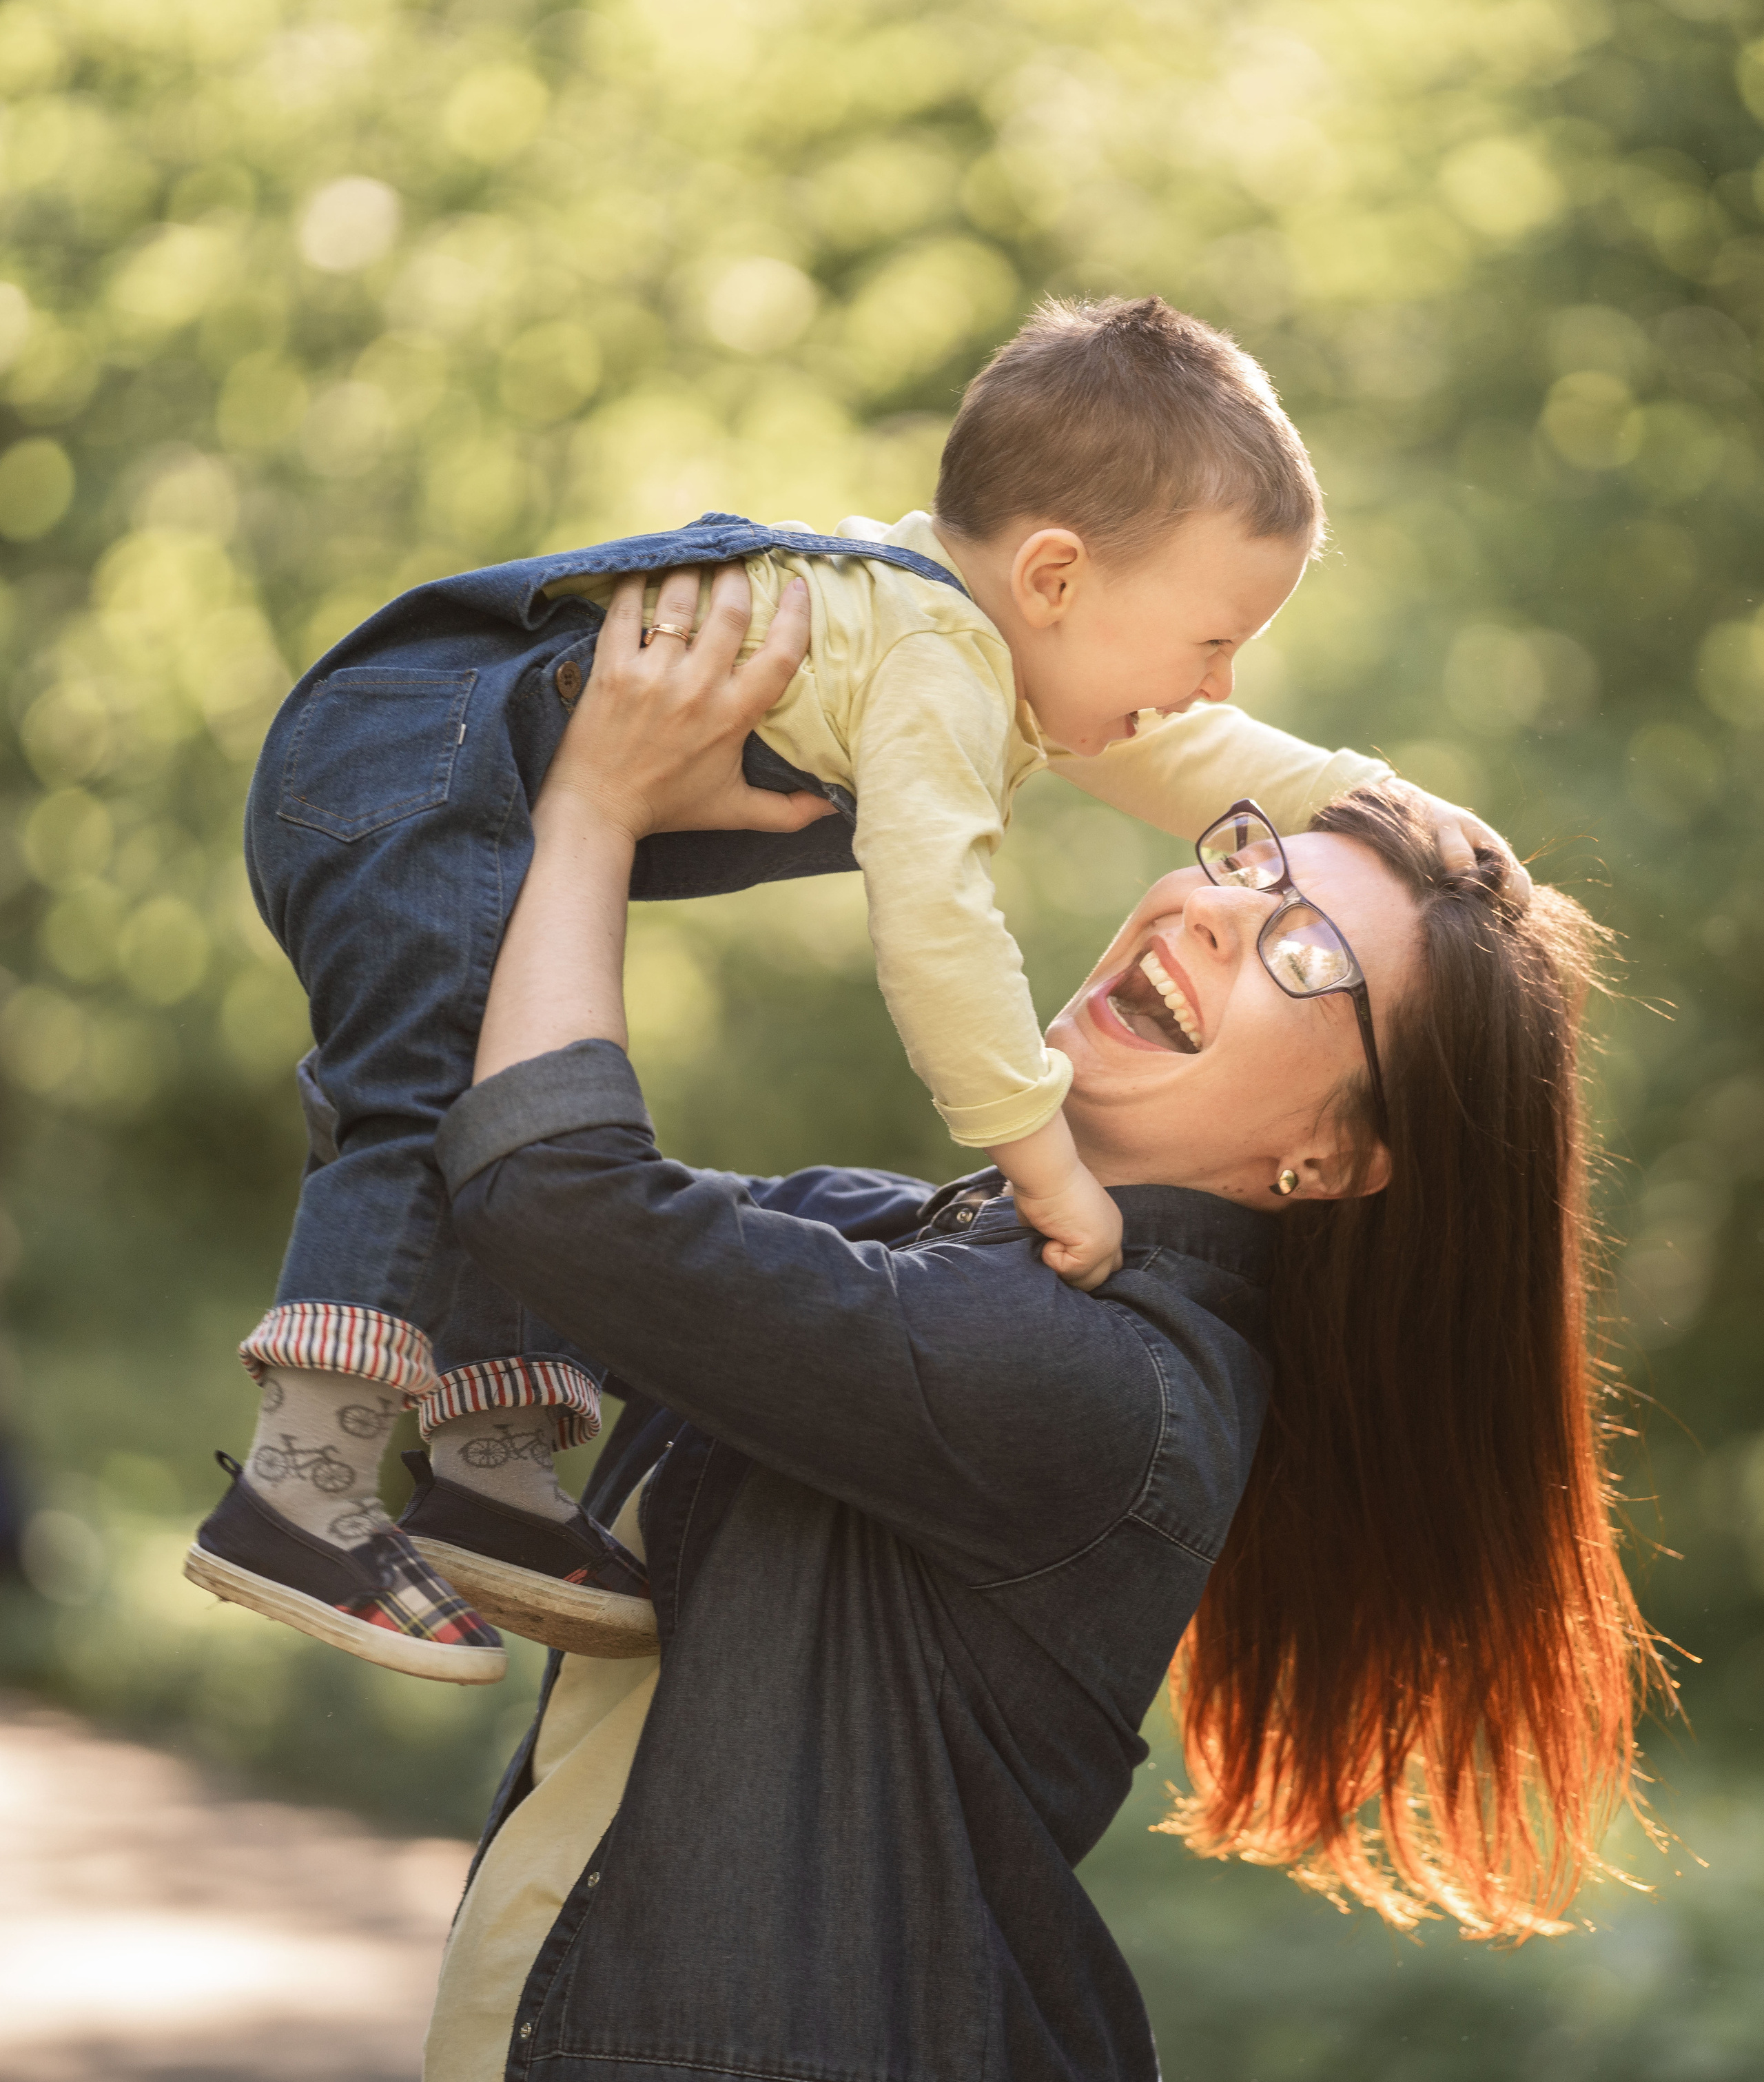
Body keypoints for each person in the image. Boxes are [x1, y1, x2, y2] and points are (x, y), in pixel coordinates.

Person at [414, 571, 1659, 2078]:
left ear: (1331, 1159)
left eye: (1304, 955)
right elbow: (476, 1172)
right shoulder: (907, 1237)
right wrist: (678, 788)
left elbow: (552, 1194)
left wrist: (601, 811)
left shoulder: (1101, 1384)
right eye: (1247, 861)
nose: (1212, 909)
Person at [187, 296, 1525, 1680]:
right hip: (409, 755)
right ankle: (299, 1484)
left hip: (450, 763)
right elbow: (937, 926)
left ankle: (483, 1466)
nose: (1220, 680)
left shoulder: (967, 635)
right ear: (1056, 578)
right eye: (1208, 640)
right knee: (418, 1100)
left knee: (485, 1075)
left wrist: (1364, 790)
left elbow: (1163, 749)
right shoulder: (935, 670)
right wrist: (1041, 1157)